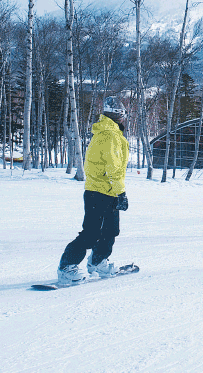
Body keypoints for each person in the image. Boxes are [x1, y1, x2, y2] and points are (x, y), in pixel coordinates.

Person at [57, 96, 130, 284]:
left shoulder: (111, 133)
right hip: (98, 191)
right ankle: (67, 267)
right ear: (117, 116)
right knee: (91, 233)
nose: (124, 119)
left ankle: (98, 262)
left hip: (108, 190)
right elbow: (113, 166)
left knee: (111, 231)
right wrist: (121, 192)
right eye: (122, 116)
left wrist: (117, 191)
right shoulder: (109, 135)